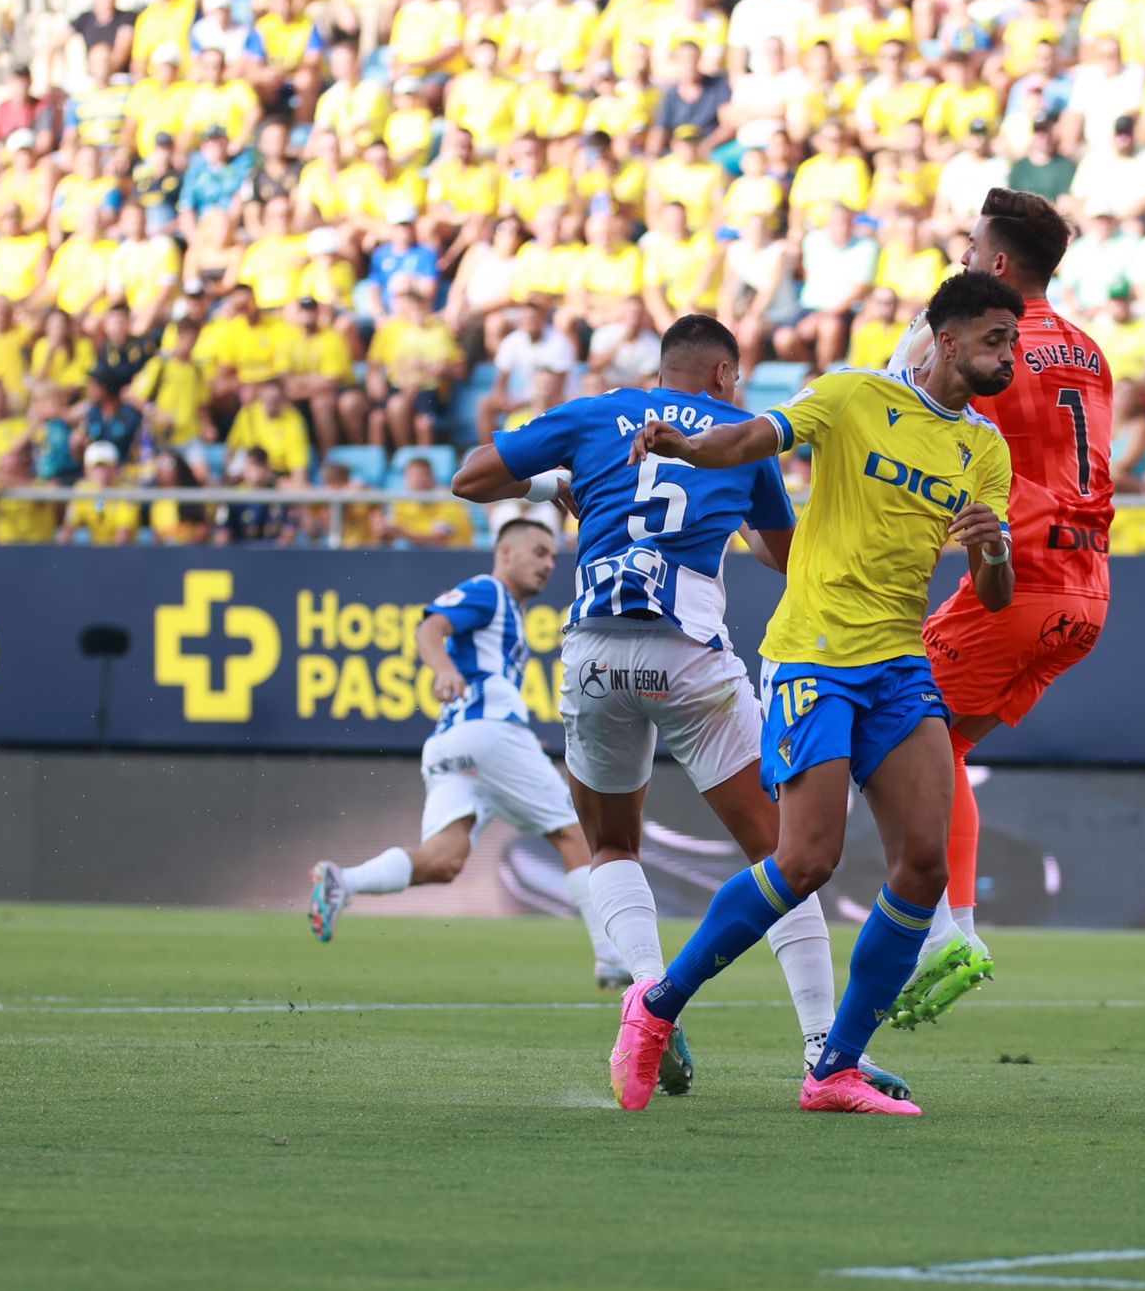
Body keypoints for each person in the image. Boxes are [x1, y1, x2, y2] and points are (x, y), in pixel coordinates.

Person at [451, 315, 903, 1099]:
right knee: (783, 855)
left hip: (595, 652)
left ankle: (647, 1002)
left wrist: (560, 484)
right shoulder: (739, 436)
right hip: (689, 655)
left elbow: (471, 477)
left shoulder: (596, 412)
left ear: (662, 368)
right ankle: (823, 1048)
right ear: (725, 374)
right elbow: (787, 557)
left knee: (610, 844)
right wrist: (733, 520)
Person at [610, 271, 1021, 1117]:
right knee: (806, 861)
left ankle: (835, 1068)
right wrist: (688, 447)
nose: (1008, 355)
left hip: (899, 664)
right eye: (994, 339)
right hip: (814, 657)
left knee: (924, 866)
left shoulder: (986, 448)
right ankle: (656, 1007)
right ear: (946, 341)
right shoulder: (852, 395)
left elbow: (994, 596)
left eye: (1012, 341)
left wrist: (995, 550)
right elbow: (753, 438)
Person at [876, 189, 1115, 1024]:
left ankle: (942, 930)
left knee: (896, 730)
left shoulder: (991, 345)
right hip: (1087, 592)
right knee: (940, 744)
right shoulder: (1090, 351)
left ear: (1000, 263)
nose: (963, 258)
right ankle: (953, 928)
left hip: (1016, 580)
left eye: (973, 248)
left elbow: (899, 404)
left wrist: (916, 336)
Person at [308, 518, 631, 990]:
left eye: (552, 556)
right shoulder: (489, 591)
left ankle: (343, 881)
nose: (548, 564)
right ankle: (612, 959)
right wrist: (443, 670)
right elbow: (430, 628)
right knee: (575, 832)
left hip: (456, 744)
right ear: (505, 553)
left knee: (443, 861)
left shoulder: (510, 613)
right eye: (538, 552)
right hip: (488, 735)